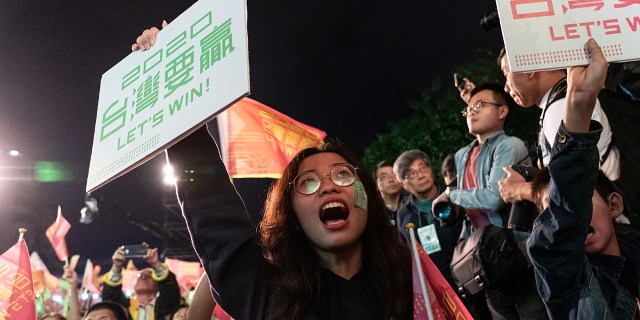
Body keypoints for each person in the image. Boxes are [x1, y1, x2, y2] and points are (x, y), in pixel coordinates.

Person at [525, 38, 639, 319]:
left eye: (575, 197)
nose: (566, 211)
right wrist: (579, 103)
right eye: (550, 210)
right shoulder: (564, 285)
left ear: (615, 204)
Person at [496, 46, 619, 207]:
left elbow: (573, 186)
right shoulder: (558, 104)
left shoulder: (562, 108)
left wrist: (520, 190)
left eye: (506, 74)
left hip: (603, 223)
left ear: (528, 69)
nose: (506, 87)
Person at [393, 149, 463, 291]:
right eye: (412, 174)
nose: (420, 176)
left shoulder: (454, 196)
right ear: (403, 184)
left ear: (431, 170)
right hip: (434, 288)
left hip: (465, 275)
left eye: (423, 168)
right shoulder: (403, 215)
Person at [101, 246, 181, 320]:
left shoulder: (165, 305)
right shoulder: (125, 306)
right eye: (140, 276)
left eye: (149, 276)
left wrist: (156, 264)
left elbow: (170, 288)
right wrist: (116, 266)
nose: (143, 277)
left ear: (158, 284)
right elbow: (110, 296)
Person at [373, 160, 406, 226]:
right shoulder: (374, 212)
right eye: (384, 177)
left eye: (394, 175)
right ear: (376, 184)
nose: (391, 180)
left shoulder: (412, 204)